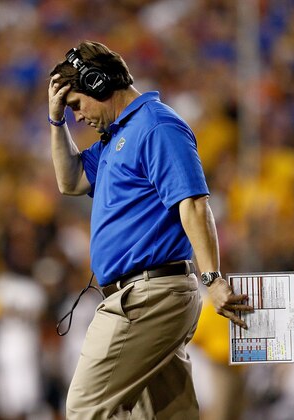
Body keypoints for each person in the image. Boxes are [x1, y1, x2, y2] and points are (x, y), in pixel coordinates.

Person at [47, 40, 253, 419]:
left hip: (148, 296)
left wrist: (213, 278)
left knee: (85, 408)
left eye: (77, 105)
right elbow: (71, 181)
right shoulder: (117, 137)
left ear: (97, 83)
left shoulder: (155, 125)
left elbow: (193, 203)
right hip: (146, 295)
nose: (78, 116)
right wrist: (56, 121)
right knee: (168, 414)